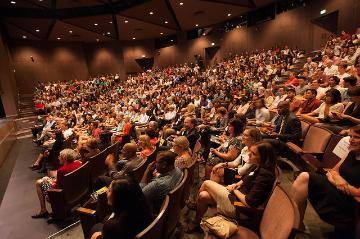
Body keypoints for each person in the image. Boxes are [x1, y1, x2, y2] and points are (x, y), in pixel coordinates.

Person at [184, 142, 277, 233]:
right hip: (236, 198)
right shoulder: (258, 166)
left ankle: (194, 206)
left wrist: (234, 190)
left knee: (207, 183)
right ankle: (196, 222)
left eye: (253, 153)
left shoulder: (265, 175)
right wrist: (237, 184)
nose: (249, 154)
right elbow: (246, 179)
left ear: (263, 157)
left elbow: (249, 202)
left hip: (241, 209)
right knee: (203, 196)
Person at [290, 125, 360, 238]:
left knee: (306, 178)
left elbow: (357, 192)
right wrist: (338, 181)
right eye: (350, 136)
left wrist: (338, 181)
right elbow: (332, 171)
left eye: (356, 137)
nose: (351, 140)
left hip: (351, 200)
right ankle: (296, 222)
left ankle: (295, 223)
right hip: (340, 189)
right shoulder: (351, 153)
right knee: (304, 177)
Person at [32, 149, 82, 218]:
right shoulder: (78, 163)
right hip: (78, 191)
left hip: (62, 196)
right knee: (50, 177)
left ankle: (43, 210)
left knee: (39, 182)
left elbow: (55, 188)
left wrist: (49, 181)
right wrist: (54, 180)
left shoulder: (62, 170)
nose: (58, 157)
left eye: (60, 156)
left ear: (64, 158)